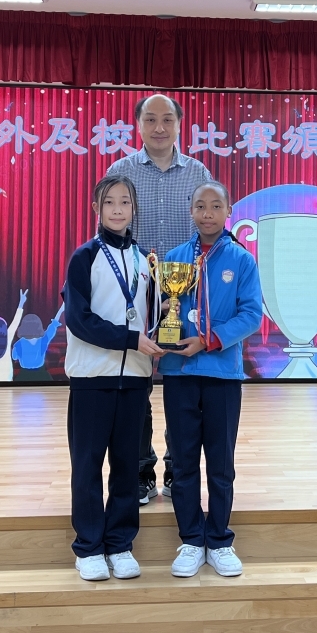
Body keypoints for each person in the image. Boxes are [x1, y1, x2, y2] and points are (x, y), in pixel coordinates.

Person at [107, 93, 213, 505]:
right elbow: (109, 231)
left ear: (179, 124)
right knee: (136, 386)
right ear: (138, 125)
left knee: (183, 387)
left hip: (187, 295)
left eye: (167, 119)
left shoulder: (198, 172)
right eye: (150, 119)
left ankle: (176, 469)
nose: (159, 127)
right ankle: (141, 473)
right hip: (134, 293)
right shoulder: (121, 171)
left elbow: (210, 229)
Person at [158, 181, 262, 578]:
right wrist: (162, 320)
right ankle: (190, 539)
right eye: (200, 205)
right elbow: (161, 310)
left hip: (222, 375)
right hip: (179, 374)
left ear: (228, 210)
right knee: (183, 462)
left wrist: (208, 340)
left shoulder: (242, 260)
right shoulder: (173, 260)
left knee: (220, 464)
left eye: (215, 206)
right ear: (191, 211)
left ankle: (218, 540)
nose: (207, 213)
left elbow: (251, 315)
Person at [63, 175, 164, 582]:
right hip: (92, 378)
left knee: (126, 466)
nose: (118, 209)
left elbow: (152, 314)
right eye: (109, 202)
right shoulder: (84, 257)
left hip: (135, 379)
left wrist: (163, 325)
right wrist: (130, 339)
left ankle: (120, 544)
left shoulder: (145, 261)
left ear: (134, 208)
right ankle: (88, 548)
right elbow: (78, 319)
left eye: (125, 202)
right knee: (87, 466)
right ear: (96, 209)